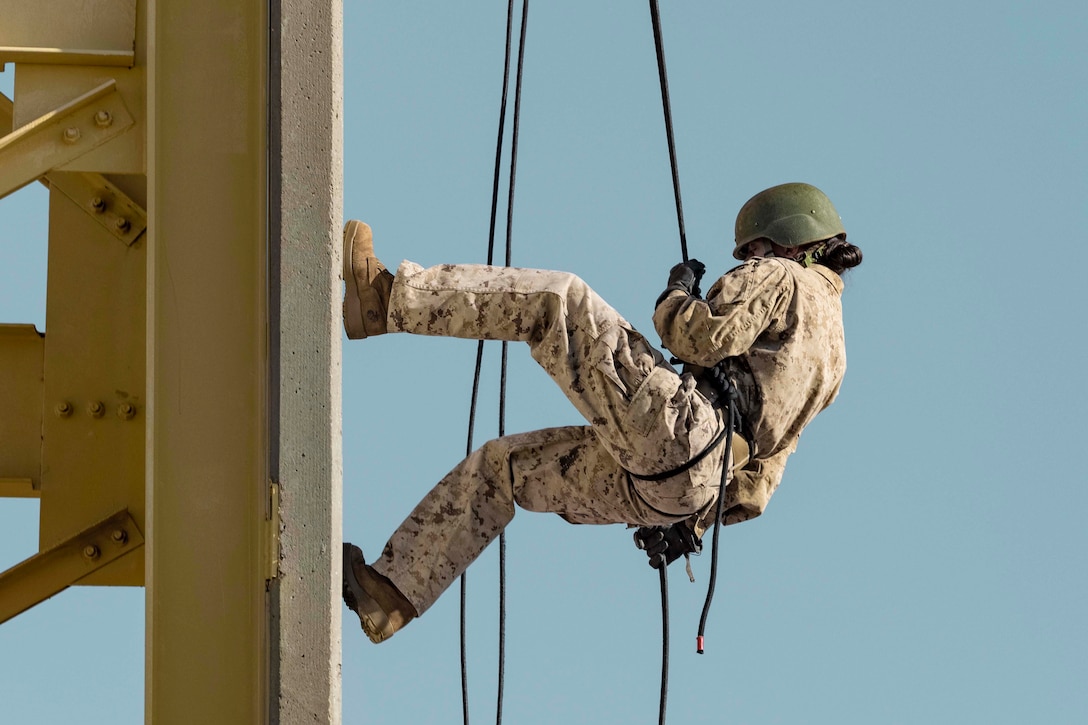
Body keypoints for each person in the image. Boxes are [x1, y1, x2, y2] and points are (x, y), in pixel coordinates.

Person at [341, 182, 863, 643]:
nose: (749, 259)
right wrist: (691, 526)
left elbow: (697, 336)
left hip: (683, 427)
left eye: (756, 248)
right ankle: (392, 595)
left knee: (556, 300)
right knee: (507, 467)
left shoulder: (783, 279)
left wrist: (676, 294)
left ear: (790, 242)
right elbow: (759, 485)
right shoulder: (834, 359)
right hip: (682, 492)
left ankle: (386, 301)